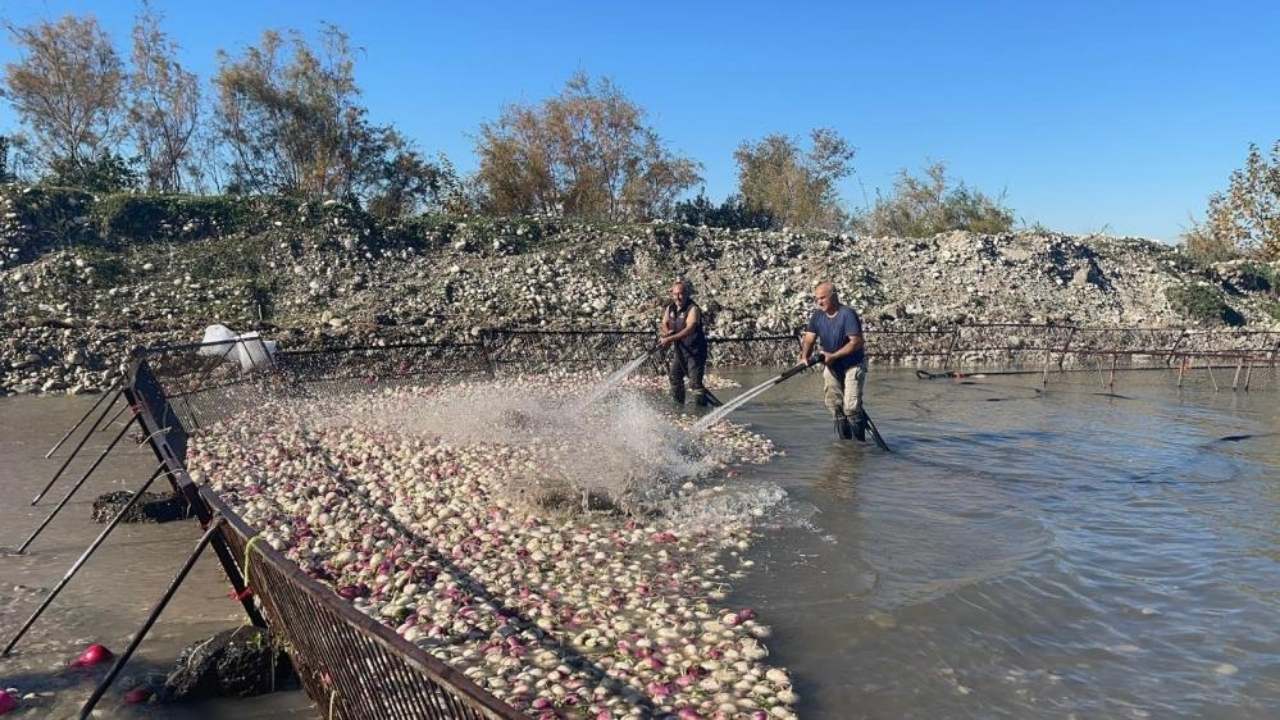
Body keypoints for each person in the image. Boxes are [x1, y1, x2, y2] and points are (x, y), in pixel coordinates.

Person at [799, 281, 868, 441]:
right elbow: (809, 339)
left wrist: (834, 356)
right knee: (834, 406)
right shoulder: (817, 316)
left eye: (823, 298)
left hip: (853, 365)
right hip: (832, 366)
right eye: (817, 299)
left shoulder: (847, 314)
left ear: (834, 296)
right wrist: (804, 358)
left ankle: (860, 444)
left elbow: (856, 342)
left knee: (850, 408)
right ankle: (845, 444)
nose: (819, 302)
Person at [659, 278, 710, 406]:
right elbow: (664, 323)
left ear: (686, 294)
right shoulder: (670, 308)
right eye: (675, 294)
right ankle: (678, 405)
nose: (678, 297)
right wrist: (668, 332)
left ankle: (702, 410)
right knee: (674, 377)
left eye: (680, 294)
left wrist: (670, 339)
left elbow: (690, 328)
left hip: (695, 351)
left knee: (694, 383)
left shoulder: (693, 309)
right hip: (680, 350)